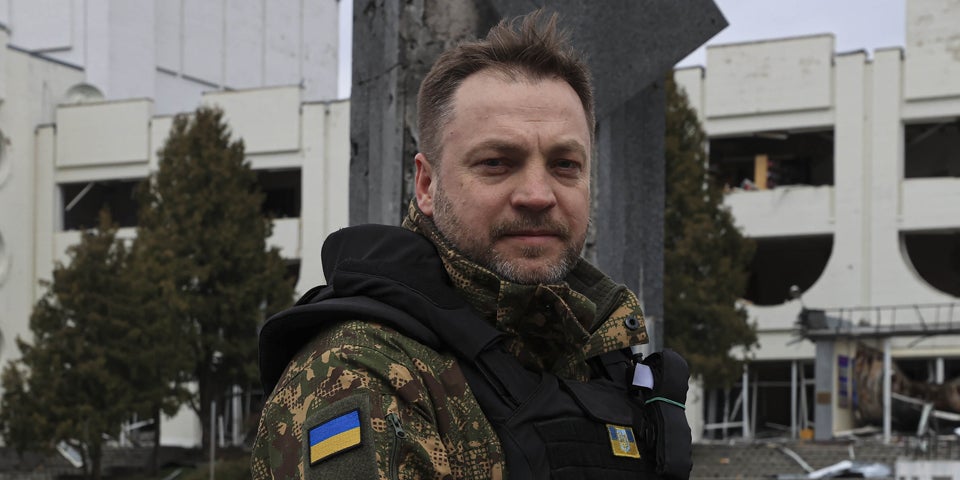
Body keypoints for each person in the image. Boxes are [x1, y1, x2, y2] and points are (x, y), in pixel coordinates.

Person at [252, 11, 692, 480]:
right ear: (426, 184)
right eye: (497, 162)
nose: (538, 195)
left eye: (565, 164)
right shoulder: (362, 373)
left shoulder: (596, 351)